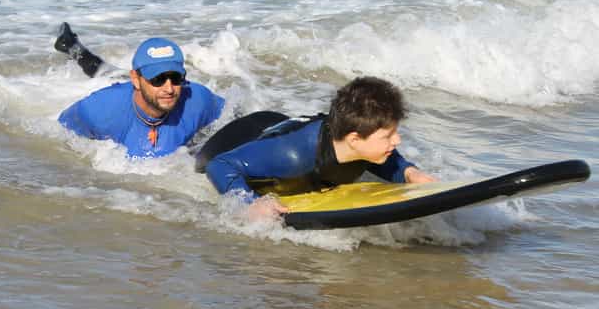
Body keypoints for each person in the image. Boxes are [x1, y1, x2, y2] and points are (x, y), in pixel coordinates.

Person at [202, 76, 436, 219]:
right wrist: (250, 203)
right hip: (237, 139)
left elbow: (379, 155)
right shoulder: (292, 156)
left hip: (287, 129)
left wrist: (408, 172)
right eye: (389, 136)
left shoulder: (358, 142)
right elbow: (219, 164)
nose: (397, 141)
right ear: (354, 140)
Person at [56, 23, 226, 158]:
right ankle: (70, 45)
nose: (169, 89)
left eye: (175, 78)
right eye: (158, 79)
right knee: (101, 70)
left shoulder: (197, 99)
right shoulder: (98, 110)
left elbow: (232, 115)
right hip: (121, 89)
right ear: (136, 80)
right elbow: (60, 133)